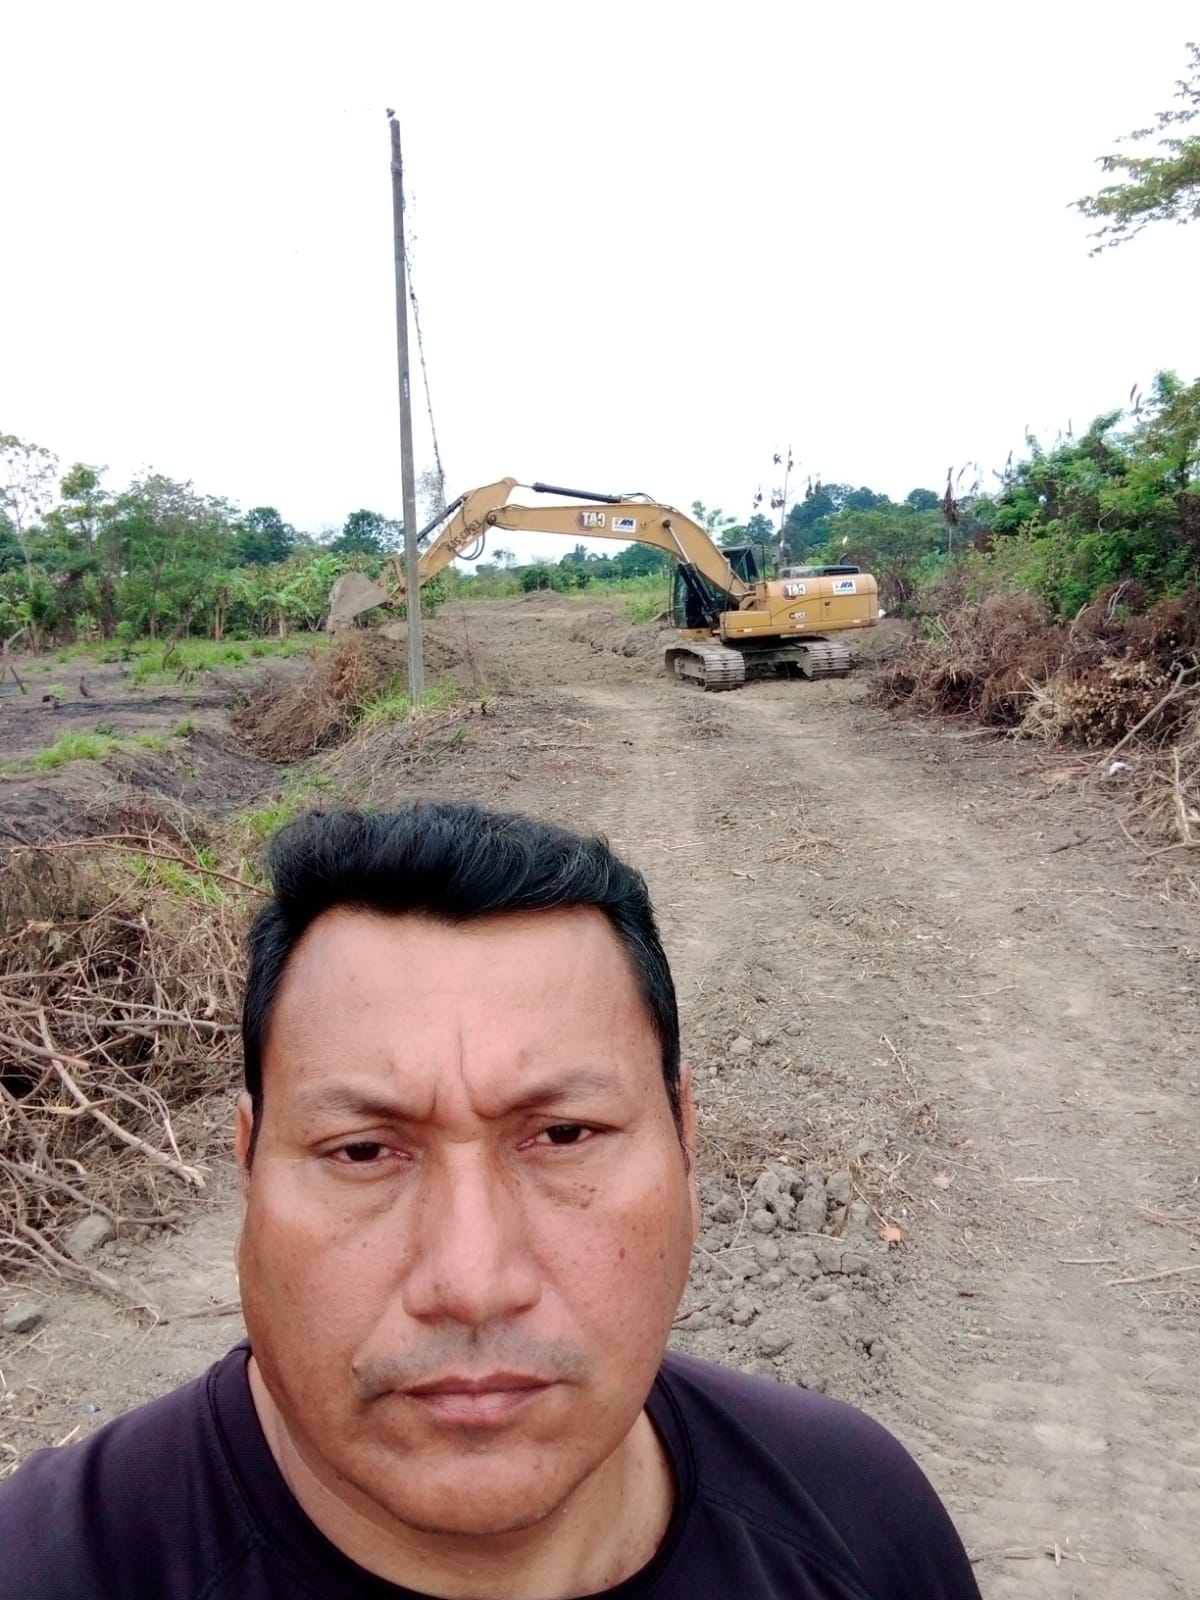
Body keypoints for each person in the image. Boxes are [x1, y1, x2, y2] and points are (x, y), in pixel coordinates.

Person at [0, 803, 983, 1600]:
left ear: (687, 1141)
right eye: (363, 1150)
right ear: (249, 1166)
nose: (472, 1283)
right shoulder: (49, 1568)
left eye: (564, 1136)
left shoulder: (858, 1519)